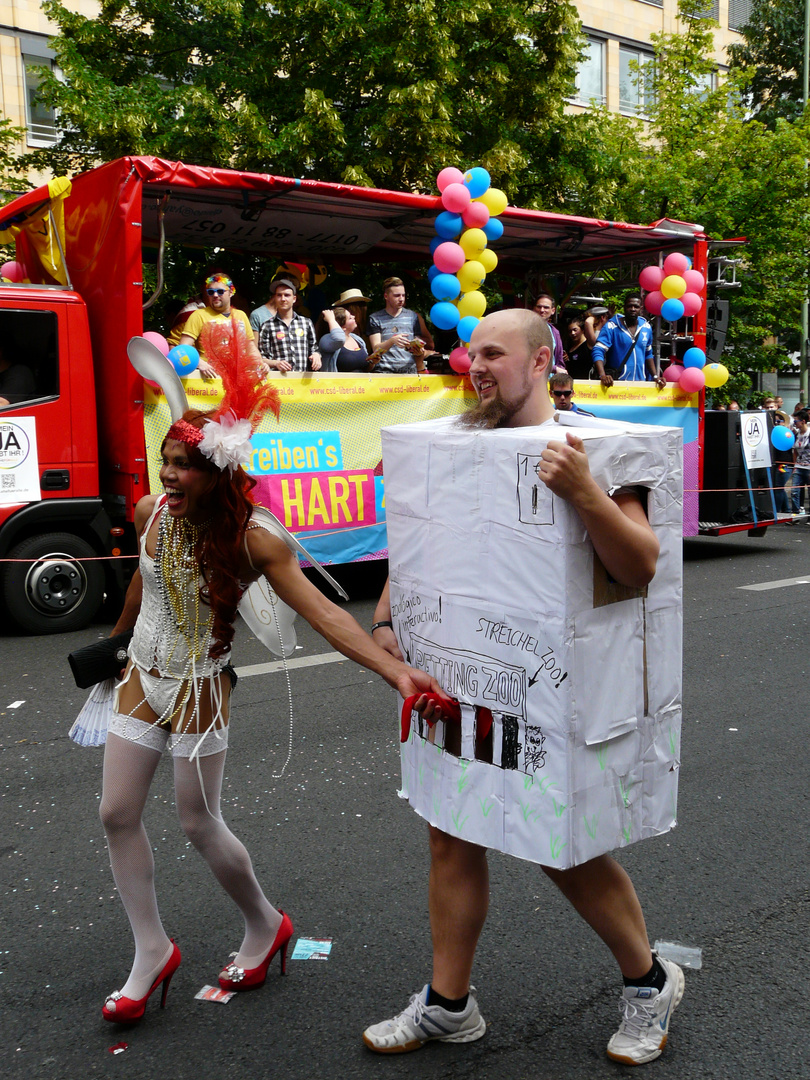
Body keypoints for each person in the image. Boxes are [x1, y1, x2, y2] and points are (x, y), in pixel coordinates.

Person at [363, 309, 683, 1066]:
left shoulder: (594, 446)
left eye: (495, 354)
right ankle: (449, 1006)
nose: (477, 367)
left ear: (540, 363)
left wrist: (583, 491)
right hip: (461, 680)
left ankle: (650, 983)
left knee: (558, 843)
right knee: (450, 827)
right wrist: (386, 613)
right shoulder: (454, 446)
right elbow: (425, 540)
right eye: (472, 354)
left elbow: (640, 565)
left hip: (550, 689)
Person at [98, 322, 442, 1025]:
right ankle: (151, 949)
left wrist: (393, 673)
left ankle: (263, 923)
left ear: (217, 472)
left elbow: (325, 614)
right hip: (141, 673)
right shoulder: (151, 514)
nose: (168, 477)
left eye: (183, 466)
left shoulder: (255, 535)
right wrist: (111, 646)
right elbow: (144, 583)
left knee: (198, 822)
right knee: (115, 813)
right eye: (165, 462)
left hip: (201, 684)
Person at [178, 274, 267, 380]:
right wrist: (199, 363)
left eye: (220, 291)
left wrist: (259, 363)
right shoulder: (198, 315)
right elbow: (183, 347)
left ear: (231, 292)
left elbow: (250, 346)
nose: (215, 295)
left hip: (239, 377)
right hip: (211, 377)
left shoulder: (241, 315)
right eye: (210, 292)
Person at [592, 294, 663, 387]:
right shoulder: (612, 326)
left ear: (641, 308)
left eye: (636, 306)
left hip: (640, 385)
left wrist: (655, 376)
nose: (633, 309)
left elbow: (648, 354)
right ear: (624, 307)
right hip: (617, 384)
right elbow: (598, 351)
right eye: (630, 306)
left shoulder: (646, 327)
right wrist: (603, 375)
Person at [367, 277, 434, 374]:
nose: (401, 299)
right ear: (386, 296)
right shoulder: (375, 318)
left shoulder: (412, 316)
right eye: (397, 295)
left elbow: (417, 343)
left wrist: (419, 350)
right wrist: (392, 341)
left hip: (409, 373)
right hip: (384, 373)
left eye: (403, 295)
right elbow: (376, 349)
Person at [258, 278, 321, 372]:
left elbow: (314, 349)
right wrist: (276, 363)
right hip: (278, 381)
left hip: (303, 381)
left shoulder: (306, 323)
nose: (283, 299)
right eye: (279, 295)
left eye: (287, 295)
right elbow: (261, 358)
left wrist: (316, 356)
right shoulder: (267, 325)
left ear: (294, 299)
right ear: (275, 298)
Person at [318, 307, 373, 372]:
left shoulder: (358, 339)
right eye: (350, 318)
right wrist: (331, 320)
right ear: (343, 327)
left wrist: (372, 362)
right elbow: (340, 339)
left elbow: (365, 369)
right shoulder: (327, 339)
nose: (354, 316)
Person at [531, 293, 565, 371]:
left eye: (546, 307)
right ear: (534, 308)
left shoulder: (555, 332)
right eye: (539, 307)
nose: (542, 310)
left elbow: (559, 359)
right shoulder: (526, 329)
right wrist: (554, 368)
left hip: (550, 380)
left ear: (553, 310)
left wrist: (560, 370)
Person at [792, 409, 810, 515]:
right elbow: (794, 451)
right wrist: (795, 465)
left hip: (808, 467)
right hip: (799, 466)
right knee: (794, 491)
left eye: (796, 422)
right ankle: (796, 513)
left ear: (803, 421)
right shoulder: (797, 434)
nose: (795, 424)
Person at [564, 315, 593, 380]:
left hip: (585, 383)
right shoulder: (570, 346)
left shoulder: (588, 344)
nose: (572, 333)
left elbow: (589, 322)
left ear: (582, 330)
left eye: (575, 330)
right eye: (570, 331)